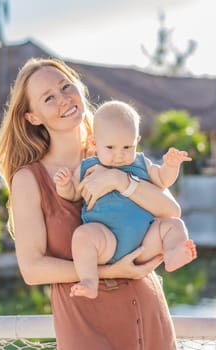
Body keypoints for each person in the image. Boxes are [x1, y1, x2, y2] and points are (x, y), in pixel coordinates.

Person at [0, 57, 179, 349]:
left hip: (147, 309)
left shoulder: (115, 147)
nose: (64, 99)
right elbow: (32, 269)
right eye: (49, 98)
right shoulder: (29, 179)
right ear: (33, 117)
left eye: (66, 87)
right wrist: (110, 272)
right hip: (85, 324)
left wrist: (120, 181)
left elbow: (171, 211)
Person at [53, 100, 197, 299]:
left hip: (145, 242)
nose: (119, 155)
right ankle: (89, 281)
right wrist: (64, 185)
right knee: (83, 235)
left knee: (174, 224)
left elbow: (163, 180)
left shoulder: (142, 164)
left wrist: (171, 166)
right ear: (94, 143)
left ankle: (173, 254)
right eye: (110, 147)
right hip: (106, 240)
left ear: (136, 141)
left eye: (127, 147)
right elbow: (74, 194)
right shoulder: (87, 167)